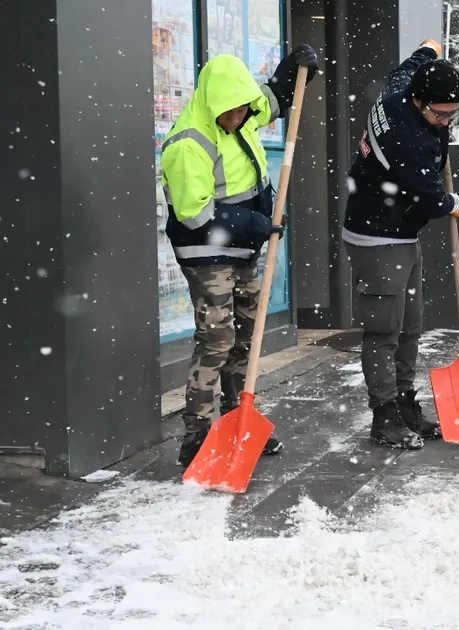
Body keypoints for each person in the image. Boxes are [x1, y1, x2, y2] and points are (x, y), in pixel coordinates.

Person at [161, 46, 320, 468]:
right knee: (216, 340)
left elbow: (276, 97)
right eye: (230, 113)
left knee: (247, 336)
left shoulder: (245, 111)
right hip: (207, 253)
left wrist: (296, 66)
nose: (239, 118)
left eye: (242, 110)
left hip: (245, 246)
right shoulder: (187, 143)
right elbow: (194, 214)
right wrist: (254, 223)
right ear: (213, 105)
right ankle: (195, 436)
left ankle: (237, 420)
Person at [342, 39, 459, 449]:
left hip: (400, 233)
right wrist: (452, 202)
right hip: (377, 236)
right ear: (418, 102)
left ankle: (405, 400)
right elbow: (431, 199)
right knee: (384, 330)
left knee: (411, 324)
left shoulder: (400, 88)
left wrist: (427, 49)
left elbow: (409, 65)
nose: (446, 121)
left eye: (452, 113)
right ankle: (385, 414)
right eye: (440, 114)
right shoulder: (406, 141)